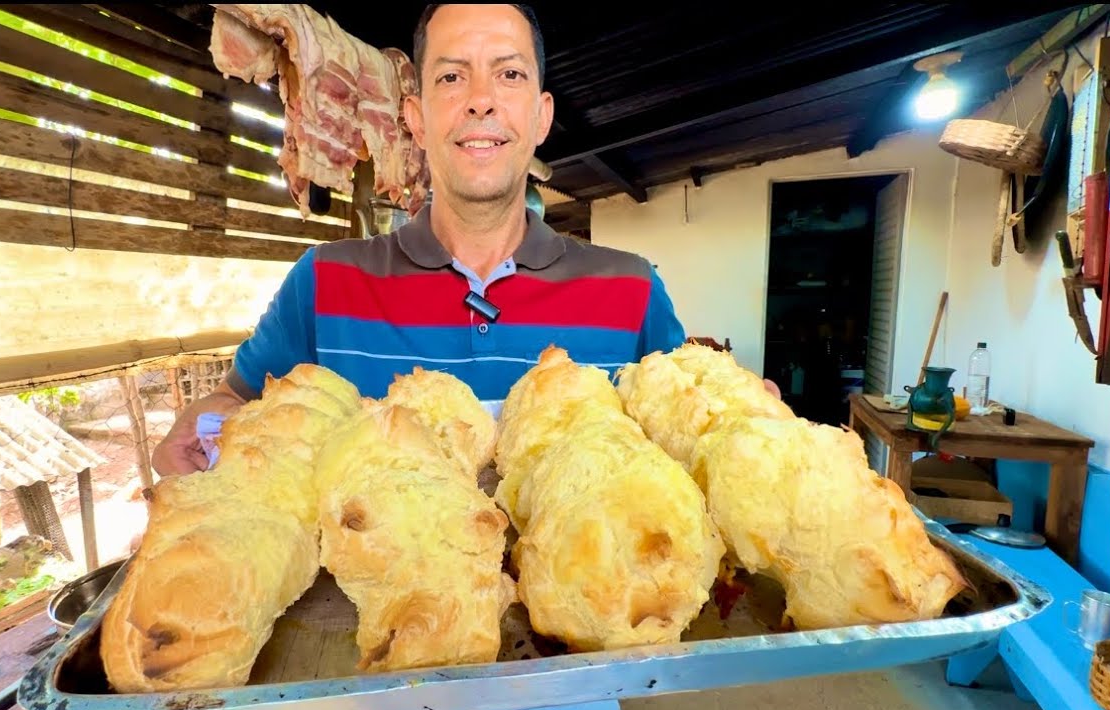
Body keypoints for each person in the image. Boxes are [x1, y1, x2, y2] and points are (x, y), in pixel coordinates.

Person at [154, 4, 769, 477]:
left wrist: (741, 427)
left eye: (508, 75)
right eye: (452, 76)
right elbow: (233, 399)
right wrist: (204, 424)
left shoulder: (632, 289)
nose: (480, 101)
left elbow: (690, 428)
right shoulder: (322, 284)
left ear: (541, 116)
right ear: (416, 119)